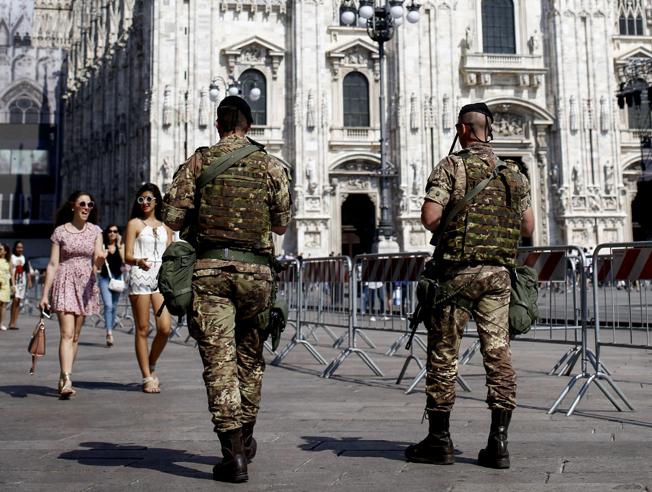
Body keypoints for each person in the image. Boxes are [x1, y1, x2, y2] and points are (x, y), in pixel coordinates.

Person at [162, 96, 291, 483]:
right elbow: (282, 225)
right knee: (250, 359)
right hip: (257, 275)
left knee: (220, 363)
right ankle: (247, 436)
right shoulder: (271, 165)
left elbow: (171, 215)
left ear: (218, 124)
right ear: (249, 126)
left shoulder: (200, 161)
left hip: (211, 273)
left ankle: (233, 454)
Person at [405, 102, 534, 469]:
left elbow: (430, 217)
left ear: (462, 129)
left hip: (458, 277)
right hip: (499, 276)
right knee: (498, 356)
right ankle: (498, 444)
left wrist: (453, 221)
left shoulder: (452, 165)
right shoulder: (514, 175)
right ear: (489, 131)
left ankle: (439, 440)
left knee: (444, 356)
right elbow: (527, 228)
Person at [39, 191, 105, 399]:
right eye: (83, 204)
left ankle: (64, 374)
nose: (87, 208)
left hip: (85, 283)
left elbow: (97, 261)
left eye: (90, 205)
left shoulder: (95, 231)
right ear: (73, 207)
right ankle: (67, 378)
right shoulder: (60, 232)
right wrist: (44, 294)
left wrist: (100, 262)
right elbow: (52, 264)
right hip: (65, 279)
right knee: (67, 333)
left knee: (75, 335)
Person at [124, 183, 172, 394]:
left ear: (156, 201)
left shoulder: (166, 227)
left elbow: (170, 255)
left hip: (160, 280)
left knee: (164, 328)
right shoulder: (134, 224)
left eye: (148, 199)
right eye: (141, 199)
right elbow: (126, 255)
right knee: (142, 329)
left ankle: (151, 363)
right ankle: (146, 376)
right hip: (140, 277)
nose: (144, 203)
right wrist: (137, 261)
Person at [98, 224, 125, 347]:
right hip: (105, 279)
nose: (112, 233)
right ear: (106, 233)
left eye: (115, 231)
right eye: (110, 231)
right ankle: (109, 332)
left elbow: (125, 260)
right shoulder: (102, 246)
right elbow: (98, 264)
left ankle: (110, 328)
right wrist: (103, 255)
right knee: (108, 305)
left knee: (114, 306)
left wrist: (119, 246)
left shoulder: (121, 246)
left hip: (118, 279)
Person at [9, 241, 33, 330]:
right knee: (14, 300)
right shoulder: (11, 257)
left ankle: (14, 322)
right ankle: (11, 322)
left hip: (22, 282)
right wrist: (12, 284)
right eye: (18, 247)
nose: (20, 249)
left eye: (21, 247)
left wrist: (30, 281)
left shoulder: (24, 258)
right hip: (14, 280)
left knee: (18, 301)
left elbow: (27, 270)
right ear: (15, 248)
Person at [0, 243, 12, 330]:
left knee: (3, 305)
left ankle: (1, 323)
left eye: (1, 249)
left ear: (5, 251)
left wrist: (13, 285)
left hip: (5, 285)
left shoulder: (8, 261)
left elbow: (11, 274)